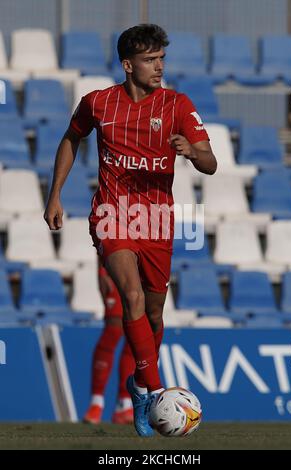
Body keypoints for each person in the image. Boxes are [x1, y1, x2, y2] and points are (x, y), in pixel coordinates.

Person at [44, 23, 217, 437]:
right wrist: (55, 196)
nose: (159, 67)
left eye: (161, 59)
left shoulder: (177, 104)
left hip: (157, 220)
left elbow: (211, 163)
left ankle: (138, 385)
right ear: (127, 64)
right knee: (131, 297)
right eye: (149, 60)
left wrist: (192, 152)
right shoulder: (98, 103)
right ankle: (156, 393)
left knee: (154, 314)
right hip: (112, 214)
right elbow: (71, 138)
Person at [83, 260, 135, 425]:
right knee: (114, 328)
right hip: (116, 263)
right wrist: (102, 270)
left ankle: (124, 404)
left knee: (135, 335)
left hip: (143, 264)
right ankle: (96, 403)